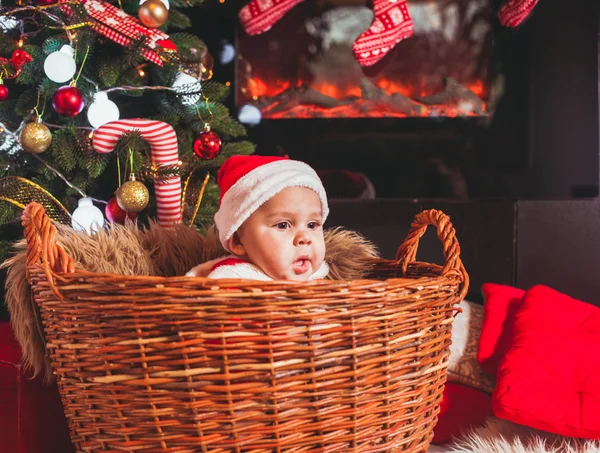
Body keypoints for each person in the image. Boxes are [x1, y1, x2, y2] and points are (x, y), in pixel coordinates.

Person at [186, 155, 330, 281]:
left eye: (312, 225)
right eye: (283, 225)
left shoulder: (320, 279)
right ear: (238, 241)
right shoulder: (232, 281)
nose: (305, 237)